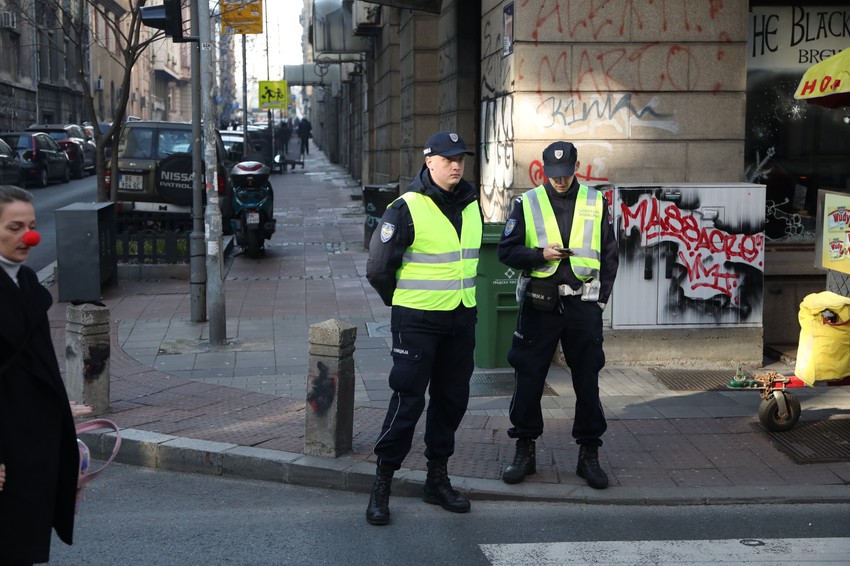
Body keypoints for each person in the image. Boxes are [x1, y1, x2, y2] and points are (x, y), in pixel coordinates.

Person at [365, 132, 481, 525]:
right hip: (417, 322)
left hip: (461, 319)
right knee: (407, 401)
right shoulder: (405, 208)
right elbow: (378, 268)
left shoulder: (471, 204)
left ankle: (437, 479)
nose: (456, 165)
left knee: (451, 401)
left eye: (460, 158)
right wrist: (400, 302)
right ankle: (382, 482)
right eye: (448, 159)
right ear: (429, 161)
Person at [497, 141, 619, 489]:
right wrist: (539, 254)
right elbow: (506, 251)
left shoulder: (596, 201)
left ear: (576, 167)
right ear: (544, 169)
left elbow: (610, 255)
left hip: (582, 304)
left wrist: (599, 303)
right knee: (529, 377)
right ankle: (524, 450)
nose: (560, 180)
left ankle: (589, 454)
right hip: (540, 304)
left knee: (587, 380)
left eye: (565, 174)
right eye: (554, 174)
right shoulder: (527, 202)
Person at [0, 185, 83, 564]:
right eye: (15, 227)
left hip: (30, 439)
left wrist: (58, 405)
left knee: (23, 543)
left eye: (32, 226)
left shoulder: (27, 280)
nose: (30, 237)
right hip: (5, 441)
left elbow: (38, 360)